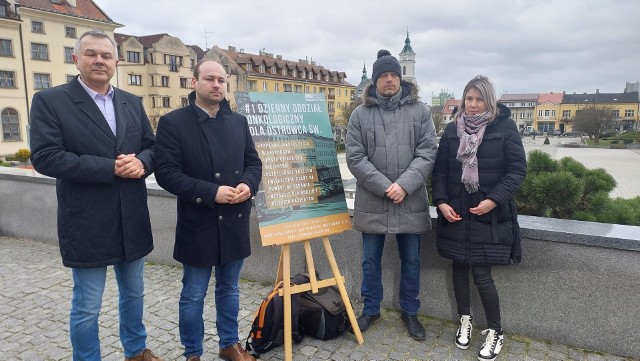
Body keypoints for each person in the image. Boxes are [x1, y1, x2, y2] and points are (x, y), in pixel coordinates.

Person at [29, 31, 161, 361]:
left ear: (116, 61)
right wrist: (110, 168)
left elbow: (152, 147)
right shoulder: (51, 101)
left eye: (106, 55)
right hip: (86, 220)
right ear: (76, 59)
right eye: (91, 54)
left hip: (131, 216)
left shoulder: (132, 102)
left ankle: (136, 351)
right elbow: (45, 156)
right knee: (87, 305)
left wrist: (142, 162)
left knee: (134, 295)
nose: (99, 60)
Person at [154, 59, 262, 361]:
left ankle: (229, 344)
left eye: (221, 80)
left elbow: (253, 163)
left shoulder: (238, 122)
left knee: (229, 290)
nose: (217, 85)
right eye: (210, 79)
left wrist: (248, 185)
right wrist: (211, 192)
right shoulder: (173, 122)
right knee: (193, 294)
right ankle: (192, 354)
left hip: (233, 221)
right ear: (194, 83)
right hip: (198, 222)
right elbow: (166, 173)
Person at [431, 75, 527, 361]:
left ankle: (496, 331)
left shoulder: (505, 127)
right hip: (458, 212)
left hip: (489, 215)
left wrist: (493, 200)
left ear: (489, 100)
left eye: (479, 99)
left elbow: (517, 170)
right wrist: (441, 202)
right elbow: (440, 172)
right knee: (459, 268)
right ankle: (465, 319)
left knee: (482, 275)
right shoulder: (452, 130)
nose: (473, 105)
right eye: (469, 99)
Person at [346, 49, 438, 341]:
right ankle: (371, 308)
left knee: (411, 260)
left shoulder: (421, 111)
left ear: (400, 78)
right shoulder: (360, 114)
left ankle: (410, 311)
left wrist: (404, 185)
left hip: (409, 200)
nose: (389, 80)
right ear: (374, 81)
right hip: (373, 200)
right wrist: (386, 186)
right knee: (369, 261)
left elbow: (427, 152)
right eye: (383, 75)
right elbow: (355, 157)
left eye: (393, 75)